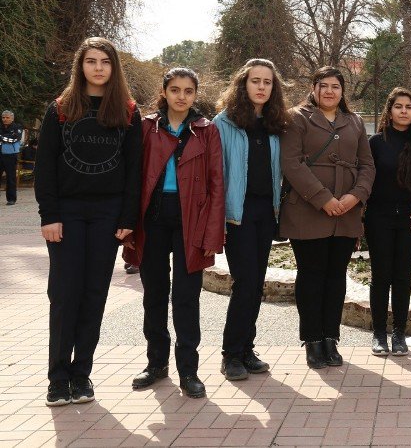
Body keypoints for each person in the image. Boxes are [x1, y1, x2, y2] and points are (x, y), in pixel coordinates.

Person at [35, 37, 141, 406]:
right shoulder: (61, 109)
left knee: (95, 294)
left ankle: (82, 376)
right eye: (91, 61)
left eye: (105, 62)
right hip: (66, 214)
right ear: (80, 66)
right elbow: (45, 167)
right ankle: (57, 378)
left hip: (107, 216)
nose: (98, 67)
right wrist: (49, 216)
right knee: (65, 294)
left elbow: (134, 171)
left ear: (114, 68)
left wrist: (128, 217)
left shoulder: (127, 112)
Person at [125, 68, 224, 398]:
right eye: (175, 89)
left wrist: (212, 233)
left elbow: (215, 185)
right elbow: (134, 176)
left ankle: (189, 370)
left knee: (186, 298)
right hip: (152, 220)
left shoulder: (206, 131)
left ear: (196, 95)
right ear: (164, 92)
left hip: (190, 222)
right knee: (153, 295)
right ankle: (156, 364)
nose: (182, 96)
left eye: (189, 90)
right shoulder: (147, 127)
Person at [280, 67, 375, 369]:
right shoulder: (297, 118)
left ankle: (331, 338)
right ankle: (312, 339)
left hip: (346, 213)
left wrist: (355, 196)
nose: (330, 92)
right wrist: (323, 199)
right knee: (311, 274)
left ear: (343, 91)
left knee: (336, 276)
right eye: (324, 86)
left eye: (336, 86)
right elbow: (291, 163)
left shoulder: (355, 122)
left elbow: (367, 165)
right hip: (308, 210)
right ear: (313, 88)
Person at [214, 59, 288, 380]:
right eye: (255, 81)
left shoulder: (275, 125)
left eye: (267, 82)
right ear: (243, 84)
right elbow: (214, 175)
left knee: (257, 285)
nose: (261, 87)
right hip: (237, 215)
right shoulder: (224, 123)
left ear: (273, 89)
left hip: (265, 213)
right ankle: (231, 353)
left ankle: (247, 348)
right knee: (245, 283)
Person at [365, 87, 411, 356]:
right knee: (381, 276)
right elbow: (366, 180)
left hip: (408, 218)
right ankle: (379, 334)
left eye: (409, 107)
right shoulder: (375, 143)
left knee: (402, 276)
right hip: (378, 216)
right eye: (399, 106)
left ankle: (399, 334)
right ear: (389, 111)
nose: (404, 111)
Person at [1, 109, 24, 205]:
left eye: (7, 117)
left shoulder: (17, 127)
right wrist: (6, 137)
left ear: (12, 118)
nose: (5, 119)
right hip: (0, 154)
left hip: (10, 155)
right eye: (3, 117)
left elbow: (14, 139)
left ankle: (11, 199)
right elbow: (9, 138)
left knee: (10, 178)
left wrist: (2, 137)